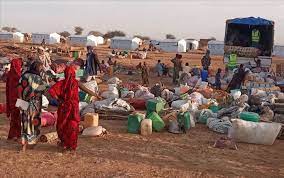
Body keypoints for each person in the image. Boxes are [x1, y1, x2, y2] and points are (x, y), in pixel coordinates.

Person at [49, 66, 80, 151]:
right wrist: (96, 95)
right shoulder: (76, 83)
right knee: (73, 124)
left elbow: (51, 90)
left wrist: (58, 99)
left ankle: (64, 143)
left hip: (64, 107)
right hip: (73, 108)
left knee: (63, 124)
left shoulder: (61, 83)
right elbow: (86, 89)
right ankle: (71, 145)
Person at [18, 61, 48, 151]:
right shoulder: (38, 78)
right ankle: (32, 142)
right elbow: (44, 89)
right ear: (38, 68)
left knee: (24, 122)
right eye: (40, 67)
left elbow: (19, 88)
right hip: (35, 104)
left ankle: (24, 143)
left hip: (23, 101)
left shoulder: (24, 76)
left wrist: (20, 100)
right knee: (34, 122)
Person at [6, 58, 22, 141]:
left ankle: (13, 135)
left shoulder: (9, 74)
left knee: (14, 117)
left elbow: (7, 87)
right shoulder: (20, 75)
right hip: (19, 98)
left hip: (11, 98)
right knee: (18, 117)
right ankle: (17, 135)